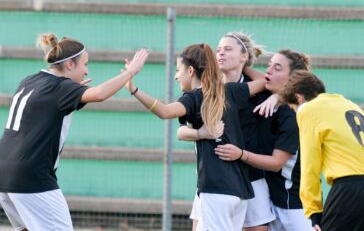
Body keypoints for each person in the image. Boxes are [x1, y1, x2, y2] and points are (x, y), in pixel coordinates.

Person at [0, 33, 149, 231]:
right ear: (70, 64)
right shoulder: (60, 88)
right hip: (32, 178)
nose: (87, 71)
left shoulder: (30, 81)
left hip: (4, 176)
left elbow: (47, 108)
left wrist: (73, 92)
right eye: (84, 64)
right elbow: (100, 94)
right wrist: (130, 72)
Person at [126, 43, 265, 231]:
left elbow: (165, 111)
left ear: (190, 71)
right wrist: (201, 133)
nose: (176, 76)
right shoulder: (230, 90)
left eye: (178, 70)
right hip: (239, 191)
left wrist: (133, 89)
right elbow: (264, 80)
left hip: (216, 189)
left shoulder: (194, 97)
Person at [177, 32, 275, 231]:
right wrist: (200, 133)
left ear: (244, 57)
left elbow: (272, 82)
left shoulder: (255, 91)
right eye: (218, 50)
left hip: (251, 176)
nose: (220, 53)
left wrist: (276, 97)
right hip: (216, 180)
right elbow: (182, 131)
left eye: (228, 49)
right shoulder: (205, 91)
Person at [215, 49, 312, 231]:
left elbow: (276, 163)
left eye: (277, 68)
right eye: (268, 66)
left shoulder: (294, 113)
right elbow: (262, 78)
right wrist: (241, 58)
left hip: (295, 203)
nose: (268, 71)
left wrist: (241, 154)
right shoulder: (266, 98)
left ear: (293, 78)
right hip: (271, 197)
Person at [280, 70, 364, 231]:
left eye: (293, 108)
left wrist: (314, 211)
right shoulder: (350, 105)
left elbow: (310, 165)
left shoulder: (308, 109)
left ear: (299, 97)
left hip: (349, 188)